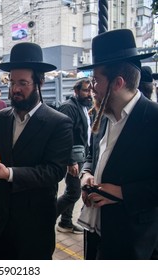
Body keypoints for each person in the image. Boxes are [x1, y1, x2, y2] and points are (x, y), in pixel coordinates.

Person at [0, 42, 73, 259]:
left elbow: (54, 172)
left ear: (39, 81)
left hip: (33, 226)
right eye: (11, 82)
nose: (15, 89)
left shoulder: (59, 123)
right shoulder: (2, 118)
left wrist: (9, 174)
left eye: (23, 83)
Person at [77, 29, 158, 260]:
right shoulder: (102, 113)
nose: (92, 87)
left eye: (96, 81)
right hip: (95, 234)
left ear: (117, 83)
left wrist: (123, 192)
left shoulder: (153, 119)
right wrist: (86, 174)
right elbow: (92, 155)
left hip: (132, 243)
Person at [56, 78, 92, 234]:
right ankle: (46, 218)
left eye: (90, 90)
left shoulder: (84, 106)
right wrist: (70, 161)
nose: (89, 94)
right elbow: (63, 136)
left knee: (71, 190)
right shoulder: (68, 107)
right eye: (85, 90)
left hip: (80, 157)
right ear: (76, 91)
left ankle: (65, 222)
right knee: (74, 192)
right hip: (72, 159)